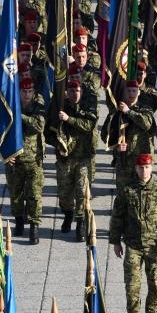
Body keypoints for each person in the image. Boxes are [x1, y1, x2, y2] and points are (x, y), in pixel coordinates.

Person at [109, 153, 157, 313]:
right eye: (140, 168)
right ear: (135, 169)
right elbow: (117, 216)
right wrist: (115, 241)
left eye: (147, 167)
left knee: (154, 284)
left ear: (152, 168)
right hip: (133, 245)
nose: (144, 171)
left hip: (154, 245)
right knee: (132, 284)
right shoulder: (127, 190)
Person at [51, 79, 98, 241]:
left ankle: (80, 222)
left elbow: (88, 125)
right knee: (64, 192)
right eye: (71, 91)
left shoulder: (88, 106)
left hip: (84, 156)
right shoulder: (60, 106)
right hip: (65, 157)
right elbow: (50, 127)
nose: (74, 94)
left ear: (82, 92)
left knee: (82, 190)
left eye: (77, 91)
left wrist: (69, 119)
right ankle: (68, 214)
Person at [5, 77, 47, 244]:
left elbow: (39, 125)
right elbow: (3, 131)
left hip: (33, 159)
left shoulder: (38, 106)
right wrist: (6, 154)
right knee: (16, 194)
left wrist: (19, 115)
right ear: (19, 92)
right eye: (24, 91)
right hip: (15, 159)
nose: (27, 95)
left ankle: (34, 226)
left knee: (34, 194)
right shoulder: (8, 108)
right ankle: (19, 222)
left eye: (30, 91)